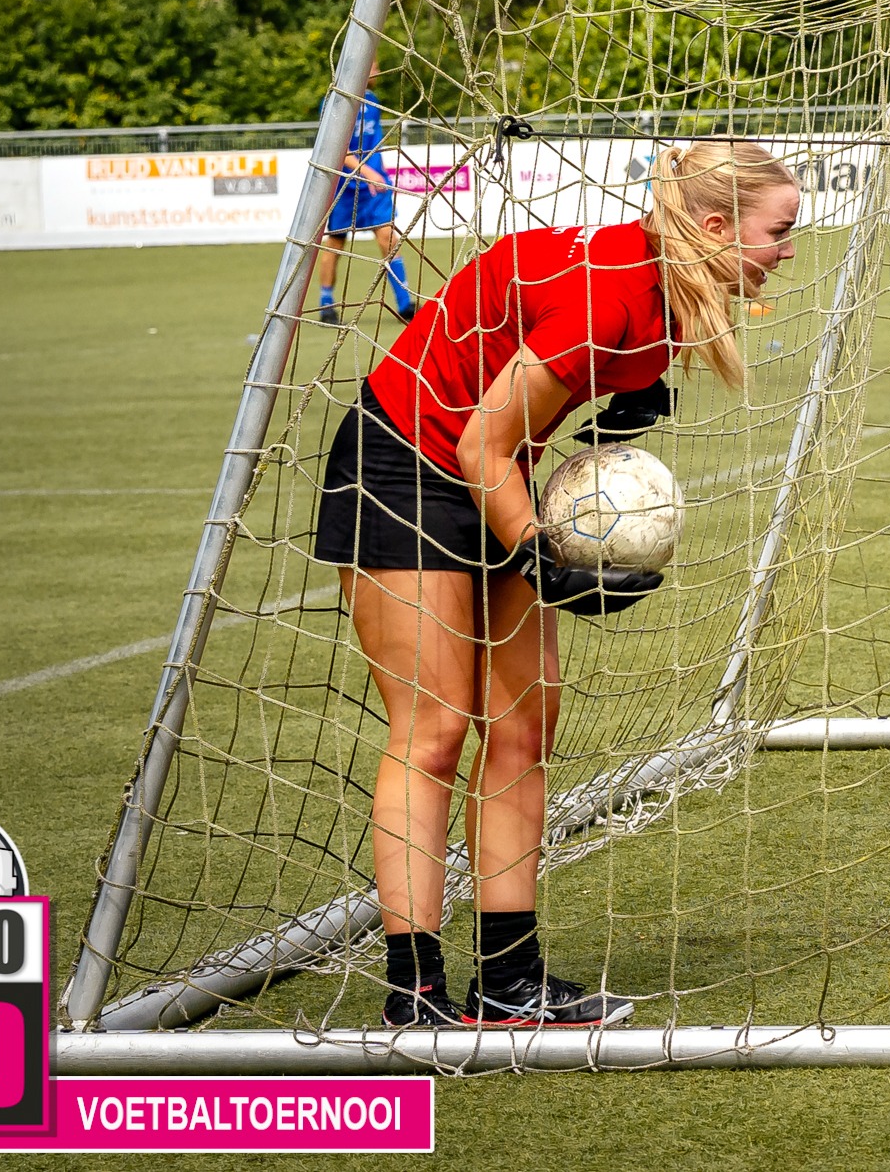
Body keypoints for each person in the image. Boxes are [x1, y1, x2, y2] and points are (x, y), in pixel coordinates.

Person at [314, 142, 801, 1027]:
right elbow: (480, 442)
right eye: (780, 230)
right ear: (715, 225)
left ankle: (509, 980)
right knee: (434, 729)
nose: (788, 250)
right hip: (403, 458)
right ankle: (414, 991)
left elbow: (527, 400)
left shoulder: (671, 291)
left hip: (492, 471)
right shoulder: (609, 294)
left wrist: (634, 388)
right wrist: (538, 554)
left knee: (522, 725)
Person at [317, 58, 416, 324]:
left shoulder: (372, 101)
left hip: (373, 186)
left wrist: (377, 173)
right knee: (336, 242)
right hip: (343, 186)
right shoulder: (335, 102)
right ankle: (326, 303)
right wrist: (365, 171)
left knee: (389, 237)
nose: (378, 72)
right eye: (374, 68)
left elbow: (374, 143)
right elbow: (335, 148)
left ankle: (405, 304)